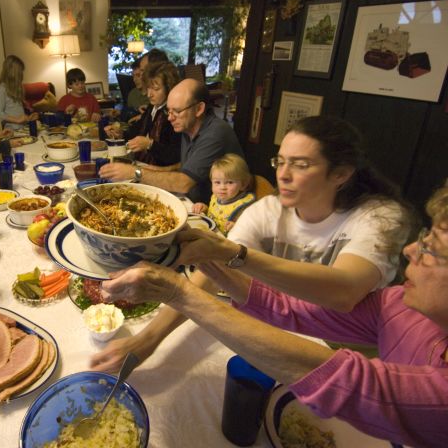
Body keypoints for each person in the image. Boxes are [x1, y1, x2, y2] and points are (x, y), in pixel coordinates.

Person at [93, 183, 448, 448]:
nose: (411, 250)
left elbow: (343, 379)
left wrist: (179, 293)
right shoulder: (403, 305)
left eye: (433, 248)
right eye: (425, 236)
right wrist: (217, 261)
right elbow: (291, 309)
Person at [92, 116, 413, 374]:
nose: (283, 175)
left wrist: (236, 254)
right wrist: (147, 340)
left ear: (341, 173)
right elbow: (211, 270)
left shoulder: (380, 217)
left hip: (362, 363)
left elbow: (344, 293)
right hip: (284, 335)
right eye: (281, 161)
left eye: (300, 165)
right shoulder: (268, 211)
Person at [99, 78, 243, 203]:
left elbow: (183, 183)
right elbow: (186, 165)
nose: (170, 117)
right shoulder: (188, 126)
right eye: (169, 111)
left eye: (177, 111)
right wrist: (153, 169)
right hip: (192, 201)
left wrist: (134, 172)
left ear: (199, 109)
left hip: (217, 211)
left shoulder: (214, 134)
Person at [108, 61, 182, 167]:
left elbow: (174, 156)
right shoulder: (152, 107)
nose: (149, 94)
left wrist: (150, 144)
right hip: (142, 163)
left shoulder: (173, 115)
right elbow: (137, 131)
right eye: (148, 88)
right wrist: (121, 134)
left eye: (156, 89)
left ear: (169, 88)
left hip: (160, 171)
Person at [191, 153, 256, 234]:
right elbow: (214, 214)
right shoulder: (216, 197)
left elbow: (251, 231)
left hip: (226, 243)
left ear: (243, 184)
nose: (222, 187)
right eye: (217, 182)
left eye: (230, 182)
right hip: (209, 234)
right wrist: (204, 208)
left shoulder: (244, 207)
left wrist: (236, 227)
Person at [0, 55, 38, 132]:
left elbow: (18, 111)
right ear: (13, 73)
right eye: (20, 72)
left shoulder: (18, 87)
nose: (22, 75)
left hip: (23, 128)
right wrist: (17, 120)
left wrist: (29, 117)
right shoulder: (2, 89)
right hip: (11, 129)